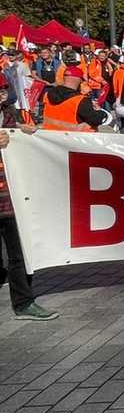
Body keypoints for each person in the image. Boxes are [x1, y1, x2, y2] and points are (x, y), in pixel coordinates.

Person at [0, 126, 58, 320]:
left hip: (10, 201)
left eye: (3, 92)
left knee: (21, 253)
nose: (3, 94)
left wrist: (22, 134)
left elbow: (15, 139)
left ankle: (23, 303)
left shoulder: (7, 113)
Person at [41, 67, 111, 131]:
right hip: (73, 140)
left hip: (50, 138)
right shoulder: (80, 100)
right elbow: (95, 120)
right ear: (79, 80)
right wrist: (100, 112)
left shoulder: (47, 94)